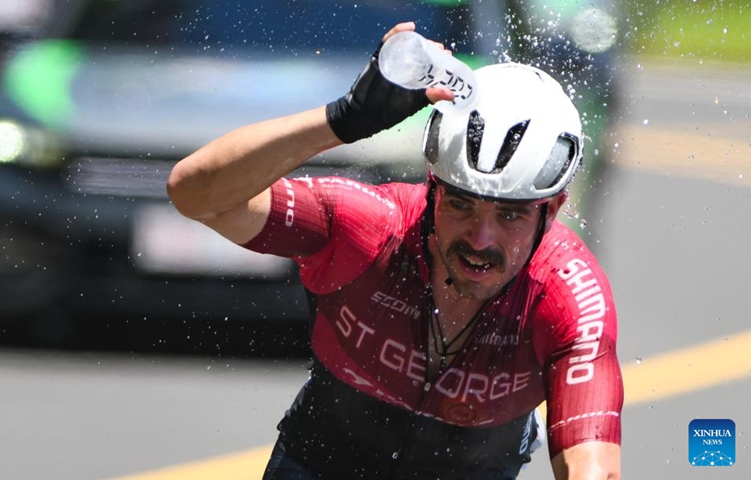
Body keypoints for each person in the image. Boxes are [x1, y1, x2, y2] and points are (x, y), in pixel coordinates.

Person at [167, 21, 623, 480]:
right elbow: (193, 192)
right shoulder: (369, 227)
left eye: (511, 216)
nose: (481, 239)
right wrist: (340, 120)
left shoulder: (566, 293)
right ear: (433, 189)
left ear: (554, 209)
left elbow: (593, 466)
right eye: (461, 205)